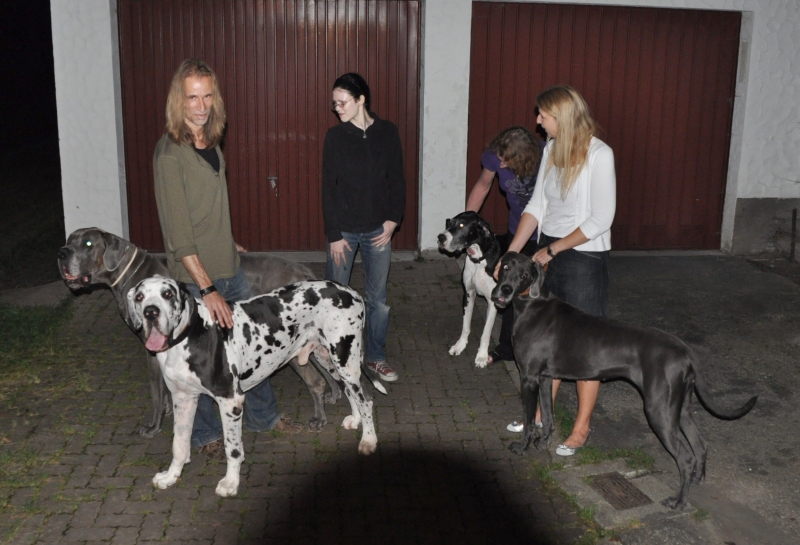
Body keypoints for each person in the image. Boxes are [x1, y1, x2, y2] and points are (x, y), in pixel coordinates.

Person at [152, 58, 303, 459]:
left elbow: (209, 206)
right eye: (192, 98)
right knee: (203, 361)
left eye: (207, 96)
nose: (201, 106)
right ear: (178, 101)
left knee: (252, 347)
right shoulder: (170, 155)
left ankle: (264, 418)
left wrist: (226, 240)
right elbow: (180, 236)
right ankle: (206, 436)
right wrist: (207, 290)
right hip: (196, 279)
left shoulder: (210, 141)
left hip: (228, 267)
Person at [503, 85, 616, 456]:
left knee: (585, 345)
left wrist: (553, 249)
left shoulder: (599, 154)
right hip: (548, 251)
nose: (538, 121)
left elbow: (601, 218)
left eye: (543, 115)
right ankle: (539, 416)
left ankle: (581, 428)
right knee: (545, 340)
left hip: (583, 255)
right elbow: (536, 207)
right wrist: (512, 252)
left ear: (562, 117)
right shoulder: (552, 148)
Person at [321, 72, 405, 382]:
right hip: (343, 232)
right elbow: (328, 188)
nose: (337, 108)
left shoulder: (387, 132)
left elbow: (397, 179)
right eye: (335, 103)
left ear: (361, 100)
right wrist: (333, 234)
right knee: (335, 297)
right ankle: (335, 356)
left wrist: (393, 219)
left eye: (342, 102)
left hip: (378, 231)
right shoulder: (335, 137)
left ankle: (376, 357)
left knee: (377, 300)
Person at [465, 126, 542, 365]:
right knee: (509, 286)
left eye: (506, 162)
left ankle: (539, 350)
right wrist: (467, 227)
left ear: (524, 159)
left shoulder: (545, 156)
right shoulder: (494, 156)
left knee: (540, 293)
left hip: (547, 233)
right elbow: (483, 185)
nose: (501, 165)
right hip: (517, 230)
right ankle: (506, 348)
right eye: (499, 158)